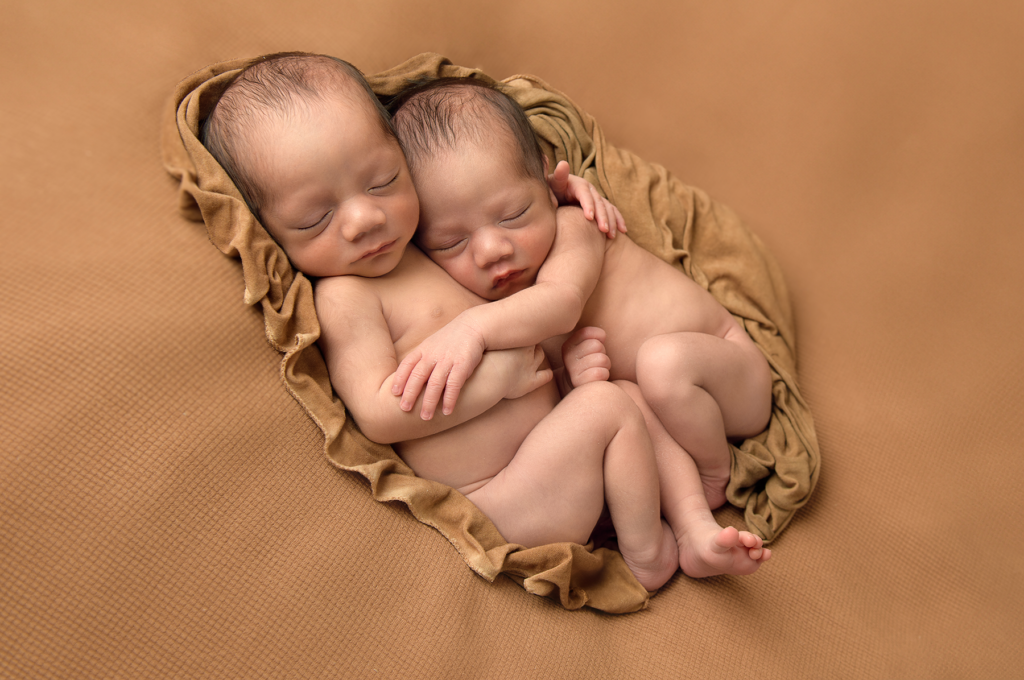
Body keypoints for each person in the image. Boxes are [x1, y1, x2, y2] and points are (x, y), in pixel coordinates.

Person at [200, 51, 766, 591]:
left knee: (627, 396)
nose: (365, 219)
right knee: (612, 406)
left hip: (551, 455)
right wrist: (499, 384)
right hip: (500, 496)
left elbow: (488, 208)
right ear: (266, 226)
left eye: (382, 183)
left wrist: (554, 196)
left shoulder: (428, 243)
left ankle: (696, 530)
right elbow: (375, 413)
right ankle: (650, 556)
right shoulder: (346, 295)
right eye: (315, 218)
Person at [388, 77, 774, 561]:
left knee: (662, 362)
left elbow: (562, 303)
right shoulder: (499, 299)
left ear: (550, 184)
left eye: (513, 215)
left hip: (728, 375)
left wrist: (469, 329)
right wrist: (576, 377)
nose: (491, 250)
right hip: (665, 410)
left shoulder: (575, 229)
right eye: (451, 243)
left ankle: (716, 473)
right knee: (619, 397)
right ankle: (694, 530)